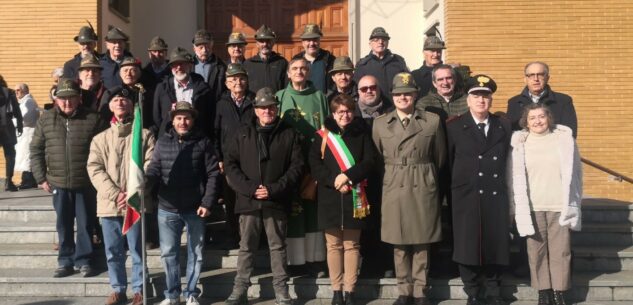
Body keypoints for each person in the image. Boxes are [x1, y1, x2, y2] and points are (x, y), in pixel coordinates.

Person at [223, 87, 303, 305]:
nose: (267, 111)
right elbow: (230, 165)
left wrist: (274, 189)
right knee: (246, 246)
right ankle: (240, 289)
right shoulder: (241, 132)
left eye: (271, 107)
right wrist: (249, 188)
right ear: (256, 110)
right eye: (263, 107)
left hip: (275, 200)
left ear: (276, 108)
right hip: (248, 201)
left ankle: (281, 290)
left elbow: (296, 167)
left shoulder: (289, 133)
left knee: (277, 247)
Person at [372, 73, 445, 305]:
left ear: (415, 95)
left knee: (422, 241)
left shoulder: (431, 121)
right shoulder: (380, 123)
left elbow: (440, 157)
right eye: (398, 94)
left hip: (422, 181)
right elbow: (377, 158)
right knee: (399, 240)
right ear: (392, 97)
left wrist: (427, 177)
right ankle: (404, 291)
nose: (403, 97)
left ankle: (421, 290)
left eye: (407, 93)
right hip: (394, 184)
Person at [30, 78, 106, 278]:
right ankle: (65, 260)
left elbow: (104, 150)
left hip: (85, 182)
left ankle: (84, 260)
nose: (67, 102)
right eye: (63, 99)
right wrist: (40, 177)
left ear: (79, 98)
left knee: (85, 223)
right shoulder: (46, 119)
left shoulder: (93, 118)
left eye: (71, 98)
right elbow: (36, 149)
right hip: (58, 182)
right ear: (56, 100)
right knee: (63, 223)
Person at [446, 75, 512, 305]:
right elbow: (446, 162)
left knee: (496, 241)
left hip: (495, 193)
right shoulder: (454, 126)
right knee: (467, 243)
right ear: (468, 99)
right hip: (466, 193)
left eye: (485, 96)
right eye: (476, 96)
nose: (481, 100)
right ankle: (472, 291)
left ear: (491, 100)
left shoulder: (503, 125)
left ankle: (494, 290)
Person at [87, 87, 155, 305]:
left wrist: (135, 190)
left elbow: (150, 163)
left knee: (137, 251)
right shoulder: (100, 139)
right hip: (109, 204)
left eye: (124, 100)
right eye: (116, 100)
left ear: (132, 105)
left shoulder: (143, 135)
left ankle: (139, 289)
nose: (120, 103)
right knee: (113, 251)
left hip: (136, 202)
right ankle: (117, 289)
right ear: (110, 106)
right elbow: (95, 168)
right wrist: (115, 194)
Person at [146, 102, 219, 305]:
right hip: (167, 207)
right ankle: (172, 294)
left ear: (193, 120)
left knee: (196, 253)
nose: (183, 122)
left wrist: (207, 202)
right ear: (173, 120)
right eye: (179, 118)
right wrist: (145, 180)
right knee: (169, 253)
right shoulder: (162, 142)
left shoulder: (203, 142)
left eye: (187, 118)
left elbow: (213, 173)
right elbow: (154, 169)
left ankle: (191, 293)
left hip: (195, 207)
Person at [509, 103, 582, 305]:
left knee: (561, 251)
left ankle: (560, 291)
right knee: (536, 251)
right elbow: (512, 177)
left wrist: (575, 201)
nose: (538, 121)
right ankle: (544, 291)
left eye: (541, 116)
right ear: (526, 122)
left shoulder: (563, 140)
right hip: (533, 206)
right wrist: (514, 206)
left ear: (549, 117)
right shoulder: (519, 143)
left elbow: (576, 174)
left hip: (559, 205)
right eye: (532, 118)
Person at [309, 94, 377, 305]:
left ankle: (350, 290)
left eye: (348, 111)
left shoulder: (362, 134)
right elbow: (314, 164)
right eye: (340, 111)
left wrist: (348, 176)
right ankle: (336, 291)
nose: (345, 115)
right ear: (333, 113)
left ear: (353, 112)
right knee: (333, 246)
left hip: (354, 196)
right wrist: (334, 180)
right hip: (330, 197)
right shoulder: (322, 137)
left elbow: (370, 161)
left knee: (352, 246)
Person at [276, 57, 329, 277]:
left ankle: (314, 260)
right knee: (292, 212)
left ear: (309, 73)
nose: (299, 72)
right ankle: (293, 261)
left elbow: (327, 131)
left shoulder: (319, 97)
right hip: (287, 164)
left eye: (303, 69)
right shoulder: (280, 97)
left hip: (313, 162)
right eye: (295, 69)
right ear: (288, 73)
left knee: (312, 211)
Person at [214, 63, 255, 249]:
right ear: (226, 83)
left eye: (241, 78)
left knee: (249, 200)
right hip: (229, 161)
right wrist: (219, 158)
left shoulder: (254, 102)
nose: (238, 82)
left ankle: (251, 237)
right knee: (230, 200)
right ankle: (232, 235)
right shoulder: (221, 104)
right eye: (233, 79)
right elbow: (215, 132)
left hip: (251, 159)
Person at [153, 47, 213, 137]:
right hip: (169, 140)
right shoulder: (162, 88)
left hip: (197, 139)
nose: (179, 67)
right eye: (175, 64)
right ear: (171, 68)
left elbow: (210, 116)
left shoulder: (203, 88)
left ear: (190, 66)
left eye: (183, 64)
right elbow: (157, 118)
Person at [506, 62, 578, 138]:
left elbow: (570, 133)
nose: (536, 79)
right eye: (531, 75)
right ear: (525, 79)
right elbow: (511, 133)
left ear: (547, 77)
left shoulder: (563, 101)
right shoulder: (514, 103)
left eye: (540, 75)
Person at [353, 27, 408, 101]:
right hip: (374, 108)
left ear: (388, 42)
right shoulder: (362, 65)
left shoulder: (398, 61)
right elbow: (357, 89)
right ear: (370, 44)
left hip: (396, 106)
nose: (380, 42)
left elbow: (406, 84)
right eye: (376, 40)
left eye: (384, 39)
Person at [101, 57, 153, 128]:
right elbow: (103, 119)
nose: (128, 74)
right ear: (120, 74)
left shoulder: (147, 93)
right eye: (125, 71)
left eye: (133, 71)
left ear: (139, 73)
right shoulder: (110, 93)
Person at [243, 25, 288, 92]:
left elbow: (286, 86)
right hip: (255, 102)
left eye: (268, 41)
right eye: (261, 41)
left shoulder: (282, 62)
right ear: (257, 44)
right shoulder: (248, 64)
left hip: (277, 101)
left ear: (273, 42)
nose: (265, 44)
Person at [292, 24, 336, 93]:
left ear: (319, 41)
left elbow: (335, 85)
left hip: (323, 101)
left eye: (315, 39)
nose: (312, 43)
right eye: (308, 40)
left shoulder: (330, 60)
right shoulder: (295, 61)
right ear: (302, 42)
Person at [13, 83, 39, 190]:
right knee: (24, 157)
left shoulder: (29, 102)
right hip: (23, 135)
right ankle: (26, 180)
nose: (16, 92)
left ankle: (29, 181)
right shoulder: (23, 102)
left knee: (27, 157)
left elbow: (27, 118)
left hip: (28, 134)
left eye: (18, 90)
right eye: (15, 91)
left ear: (25, 90)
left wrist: (12, 120)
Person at [0, 79, 23, 191]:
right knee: (10, 155)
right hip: (7, 126)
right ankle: (9, 181)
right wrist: (20, 126)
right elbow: (16, 110)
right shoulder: (9, 92)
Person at [192, 29, 227, 102]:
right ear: (194, 49)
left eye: (207, 46)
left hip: (214, 106)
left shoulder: (221, 66)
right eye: (201, 47)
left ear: (212, 46)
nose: (204, 50)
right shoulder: (189, 65)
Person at [142, 36, 172, 102]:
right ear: (149, 54)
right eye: (154, 51)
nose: (157, 54)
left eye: (160, 51)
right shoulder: (143, 73)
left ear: (166, 53)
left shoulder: (173, 72)